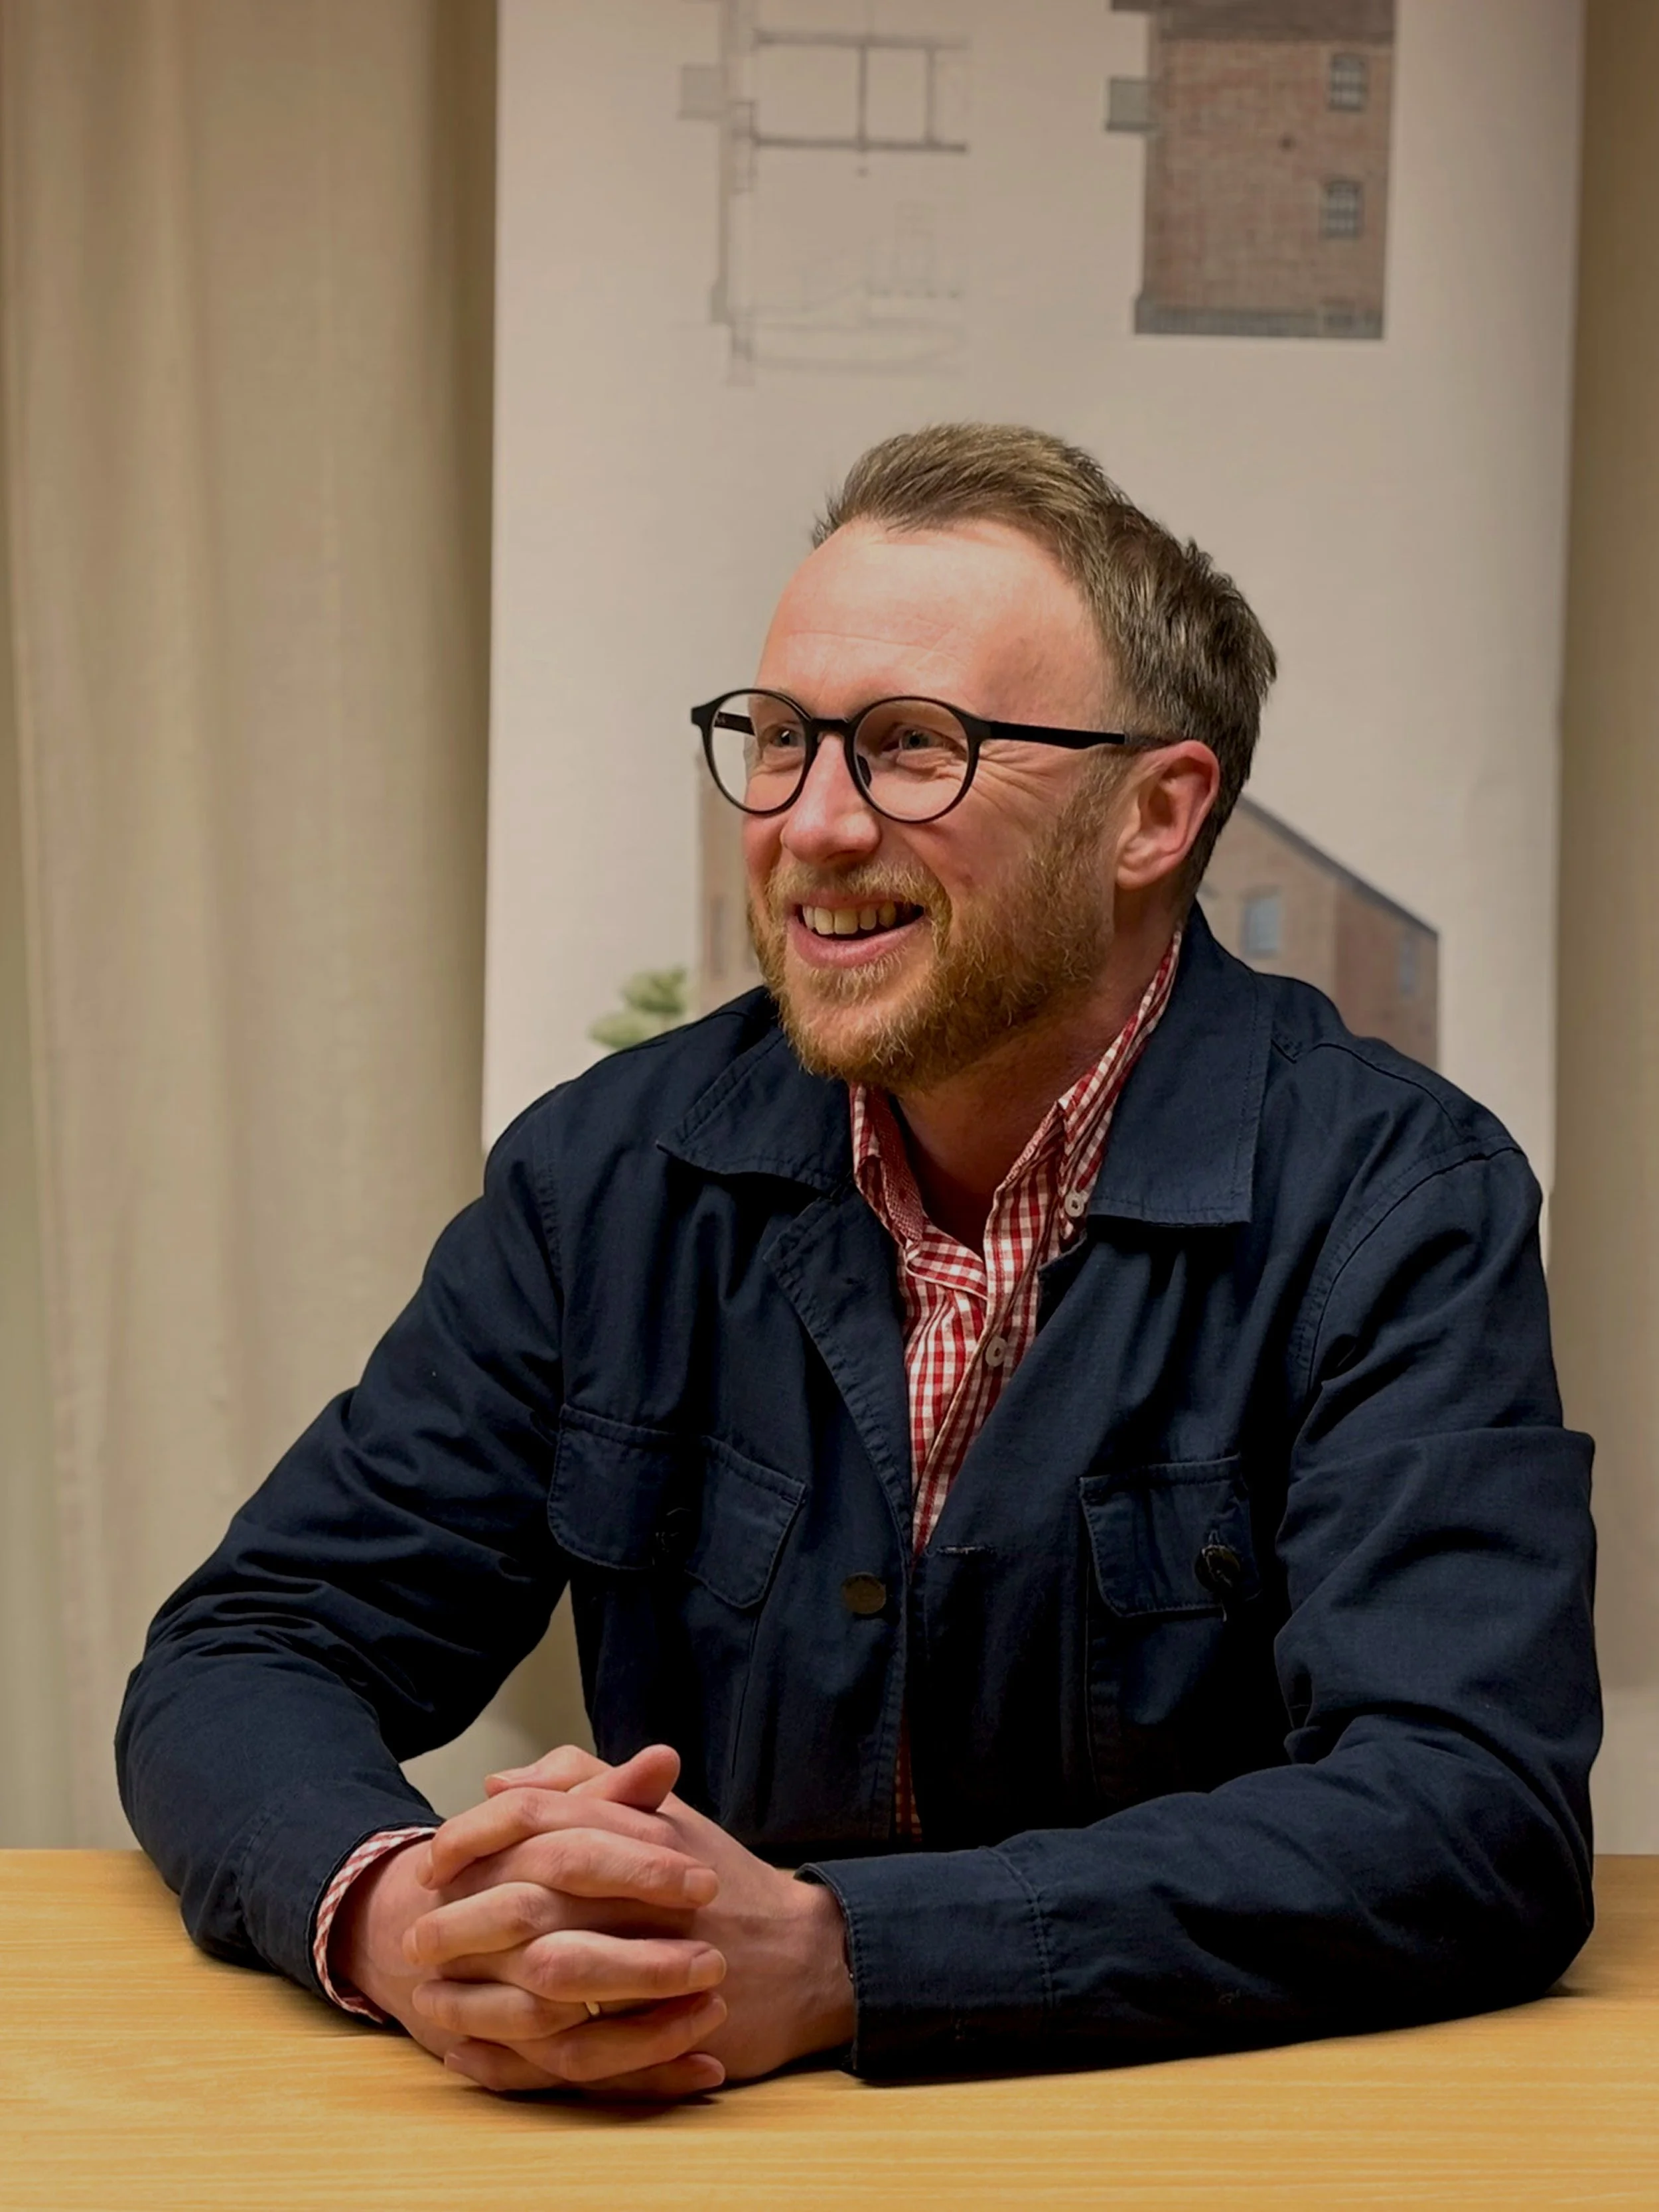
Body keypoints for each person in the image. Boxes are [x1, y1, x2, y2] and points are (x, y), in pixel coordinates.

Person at [117, 423, 1599, 2101]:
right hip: (692, 2130)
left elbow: (1469, 1811)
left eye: (911, 749)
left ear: (1152, 815)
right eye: (774, 741)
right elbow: (251, 1648)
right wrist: (402, 1910)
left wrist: (841, 1956)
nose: (810, 827)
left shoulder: (1395, 1195)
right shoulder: (602, 1174)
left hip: (1195, 2134)